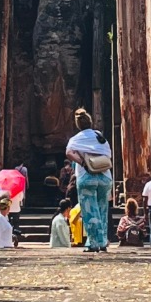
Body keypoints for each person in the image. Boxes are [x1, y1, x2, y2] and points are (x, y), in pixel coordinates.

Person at [64, 107, 113, 252]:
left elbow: (69, 152)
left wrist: (83, 163)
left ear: (78, 125)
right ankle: (103, 241)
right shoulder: (100, 137)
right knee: (103, 209)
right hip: (104, 176)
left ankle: (94, 242)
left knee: (89, 211)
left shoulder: (76, 139)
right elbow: (108, 154)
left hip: (87, 177)